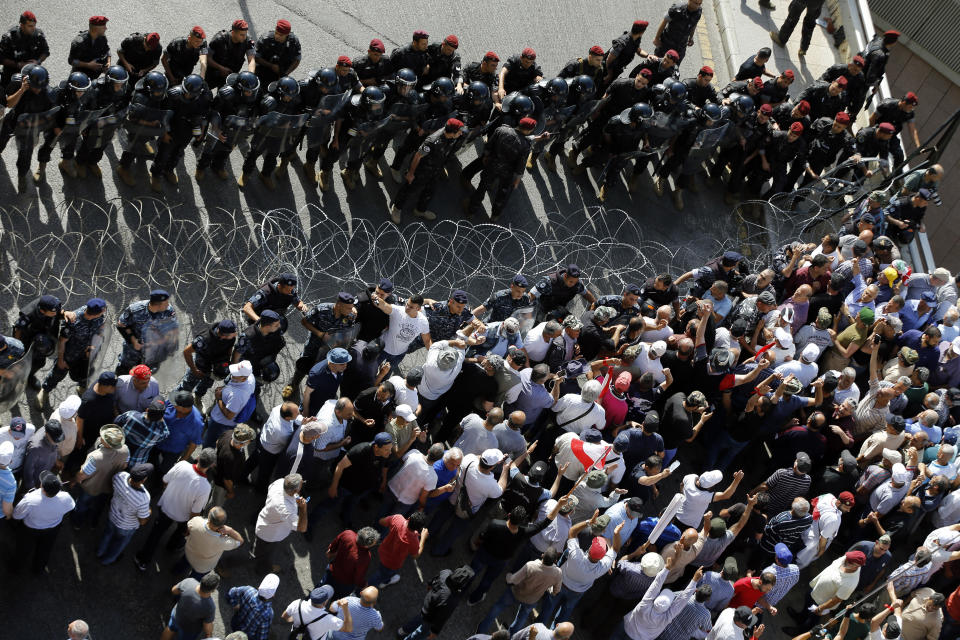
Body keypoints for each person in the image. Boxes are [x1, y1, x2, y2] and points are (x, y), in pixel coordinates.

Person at [135, 447, 215, 572]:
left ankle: (143, 560)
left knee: (156, 534)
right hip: (183, 516)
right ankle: (172, 547)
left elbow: (165, 480)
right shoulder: (205, 487)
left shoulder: (182, 465)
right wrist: (190, 527)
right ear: (211, 465)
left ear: (198, 457)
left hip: (166, 507)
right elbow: (195, 512)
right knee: (180, 532)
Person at [390, 118, 464, 223]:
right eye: (459, 131)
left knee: (430, 190)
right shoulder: (433, 141)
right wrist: (411, 173)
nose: (461, 133)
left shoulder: (451, 137)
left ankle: (420, 210)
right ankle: (397, 208)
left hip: (435, 170)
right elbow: (417, 156)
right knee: (409, 188)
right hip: (422, 170)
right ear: (452, 132)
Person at [476, 547, 563, 635]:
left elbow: (514, 580)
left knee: (498, 607)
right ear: (555, 561)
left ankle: (482, 629)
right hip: (531, 600)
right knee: (521, 619)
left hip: (515, 593)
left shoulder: (531, 565)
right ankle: (511, 636)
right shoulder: (558, 573)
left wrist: (508, 576)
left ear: (542, 555)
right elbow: (556, 591)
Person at [12, 470, 75, 573]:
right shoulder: (66, 497)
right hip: (52, 530)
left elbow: (16, 515)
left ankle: (16, 568)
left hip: (30, 530)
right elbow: (70, 507)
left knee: (23, 551)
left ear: (42, 486)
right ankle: (38, 570)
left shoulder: (30, 499)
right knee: (44, 551)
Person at [72, 424, 130, 528]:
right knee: (98, 507)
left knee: (82, 506)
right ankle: (93, 523)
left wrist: (75, 480)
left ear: (105, 442)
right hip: (109, 487)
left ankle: (77, 524)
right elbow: (125, 465)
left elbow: (82, 475)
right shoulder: (125, 450)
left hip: (90, 489)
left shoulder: (95, 457)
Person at [96, 462, 152, 565]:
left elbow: (112, 486)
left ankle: (100, 552)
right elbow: (143, 521)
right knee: (119, 544)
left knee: (107, 534)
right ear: (144, 479)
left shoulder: (120, 476)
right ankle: (108, 560)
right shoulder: (144, 498)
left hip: (112, 516)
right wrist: (149, 511)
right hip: (126, 527)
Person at [253, 473, 307, 573]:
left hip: (265, 523)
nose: (303, 483)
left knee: (261, 549)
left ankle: (260, 558)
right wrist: (303, 509)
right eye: (302, 483)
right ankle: (263, 569)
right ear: (295, 490)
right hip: (269, 535)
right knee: (265, 554)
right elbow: (302, 528)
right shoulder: (285, 509)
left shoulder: (279, 482)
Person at [163, 572, 220, 640]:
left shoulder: (189, 581)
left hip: (176, 615)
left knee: (169, 629)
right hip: (188, 629)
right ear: (213, 590)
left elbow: (174, 590)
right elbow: (207, 625)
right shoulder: (210, 607)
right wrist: (209, 635)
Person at [282, 585, 351, 640]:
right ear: (324, 603)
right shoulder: (329, 620)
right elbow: (348, 628)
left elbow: (285, 616)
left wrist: (293, 620)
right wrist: (345, 609)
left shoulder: (297, 604)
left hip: (295, 636)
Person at [0, 11, 49, 86]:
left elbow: (45, 52)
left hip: (32, 75)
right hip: (11, 75)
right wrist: (18, 65)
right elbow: (1, 59)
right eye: (30, 26)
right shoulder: (9, 38)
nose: (33, 28)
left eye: (34, 25)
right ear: (22, 25)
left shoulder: (38, 35)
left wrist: (38, 61)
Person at [226, 574, 279, 640]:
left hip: (235, 623)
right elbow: (261, 635)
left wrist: (235, 605)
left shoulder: (248, 590)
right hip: (248, 636)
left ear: (259, 587)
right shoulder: (268, 613)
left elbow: (230, 593)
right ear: (273, 595)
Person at [205, 19, 255, 89]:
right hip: (213, 73)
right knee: (202, 92)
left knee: (226, 97)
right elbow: (206, 58)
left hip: (230, 76)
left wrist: (250, 76)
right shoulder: (219, 39)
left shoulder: (248, 42)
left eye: (245, 34)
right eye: (241, 35)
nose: (244, 37)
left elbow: (251, 60)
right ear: (233, 33)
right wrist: (221, 68)